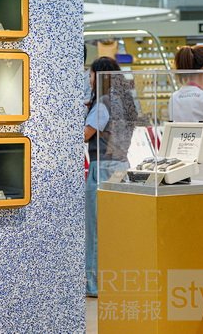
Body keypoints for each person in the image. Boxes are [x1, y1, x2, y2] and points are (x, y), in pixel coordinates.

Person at [84, 56, 137, 297]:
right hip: (122, 166)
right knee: (116, 228)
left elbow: (86, 134)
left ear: (100, 76)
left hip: (102, 168)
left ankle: (94, 284)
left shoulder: (102, 103)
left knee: (96, 230)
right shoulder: (126, 101)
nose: (89, 79)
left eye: (91, 74)